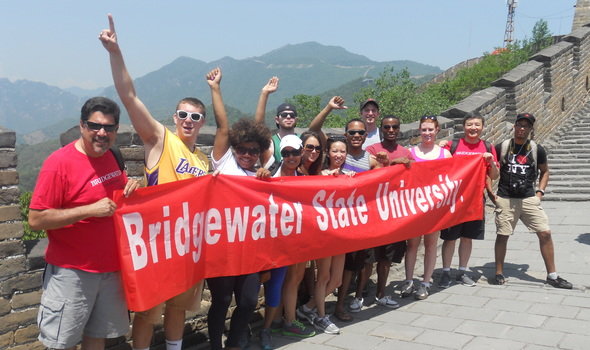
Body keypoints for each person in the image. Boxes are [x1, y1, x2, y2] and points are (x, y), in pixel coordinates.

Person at [99, 14, 209, 350]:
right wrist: (116, 53)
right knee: (148, 313)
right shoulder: (161, 140)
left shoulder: (203, 162)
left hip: (189, 246)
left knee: (178, 310)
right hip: (158, 243)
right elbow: (129, 96)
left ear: (202, 123)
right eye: (183, 115)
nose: (188, 121)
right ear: (174, 118)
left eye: (196, 116)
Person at [30, 97, 139, 350]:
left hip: (111, 270)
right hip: (72, 272)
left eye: (109, 128)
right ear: (81, 125)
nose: (102, 133)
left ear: (116, 131)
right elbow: (36, 219)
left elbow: (116, 199)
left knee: (97, 337)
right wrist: (89, 210)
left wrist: (132, 188)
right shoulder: (59, 164)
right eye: (95, 126)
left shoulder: (113, 156)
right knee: (60, 343)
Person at [205, 68, 273, 350]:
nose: (247, 154)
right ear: (233, 148)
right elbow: (223, 126)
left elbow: (258, 126)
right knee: (220, 301)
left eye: (253, 151)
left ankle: (235, 342)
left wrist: (264, 96)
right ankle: (215, 345)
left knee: (246, 301)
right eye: (242, 149)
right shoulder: (224, 163)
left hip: (250, 250)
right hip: (221, 246)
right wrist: (215, 88)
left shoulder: (259, 173)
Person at [492, 113, 572, 289]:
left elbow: (545, 171)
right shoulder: (503, 147)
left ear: (530, 129)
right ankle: (498, 272)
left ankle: (553, 275)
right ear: (514, 127)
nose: (521, 128)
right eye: (519, 125)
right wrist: (491, 195)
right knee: (503, 235)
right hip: (506, 197)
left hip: (529, 198)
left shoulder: (537, 149)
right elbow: (489, 170)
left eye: (526, 126)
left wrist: (540, 193)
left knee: (545, 233)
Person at [438, 113, 499, 288]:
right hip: (453, 201)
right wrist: (439, 146)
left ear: (482, 127)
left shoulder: (487, 147)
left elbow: (494, 175)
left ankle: (463, 271)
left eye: (477, 125)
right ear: (463, 127)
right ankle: (446, 272)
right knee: (450, 238)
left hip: (475, 201)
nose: (473, 128)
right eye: (470, 124)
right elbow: (437, 165)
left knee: (467, 238)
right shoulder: (453, 146)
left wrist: (492, 163)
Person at [295, 133, 342, 335]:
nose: (313, 152)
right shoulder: (312, 173)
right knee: (322, 276)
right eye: (309, 147)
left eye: (342, 151)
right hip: (320, 232)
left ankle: (306, 308)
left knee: (336, 280)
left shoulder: (338, 174)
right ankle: (321, 317)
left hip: (340, 231)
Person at [334, 119, 381, 319]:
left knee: (356, 264)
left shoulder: (370, 160)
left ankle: (348, 301)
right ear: (346, 134)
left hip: (361, 221)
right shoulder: (338, 157)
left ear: (365, 135)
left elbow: (382, 184)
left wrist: (392, 162)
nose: (356, 136)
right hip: (337, 221)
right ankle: (319, 305)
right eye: (352, 132)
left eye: (360, 132)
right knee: (338, 267)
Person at [365, 115, 413, 308]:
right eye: (387, 127)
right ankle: (360, 294)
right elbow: (368, 176)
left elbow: (415, 180)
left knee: (386, 258)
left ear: (399, 129)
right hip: (374, 211)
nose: (391, 130)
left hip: (395, 212)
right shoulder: (372, 150)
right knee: (368, 258)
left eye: (394, 127)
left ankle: (381, 293)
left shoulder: (406, 153)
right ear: (381, 129)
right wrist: (392, 164)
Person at [403, 115, 452, 300]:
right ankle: (408, 281)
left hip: (434, 207)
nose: (427, 133)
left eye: (430, 129)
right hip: (415, 206)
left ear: (437, 130)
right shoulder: (411, 153)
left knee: (431, 244)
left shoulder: (444, 154)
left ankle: (425, 282)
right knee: (412, 245)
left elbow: (450, 179)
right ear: (419, 131)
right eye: (424, 129)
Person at [253, 77, 345, 165]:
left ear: (296, 120)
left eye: (292, 115)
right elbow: (259, 128)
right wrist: (264, 93)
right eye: (284, 115)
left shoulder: (303, 140)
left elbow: (314, 130)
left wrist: (329, 107)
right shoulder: (272, 142)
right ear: (277, 119)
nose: (288, 117)